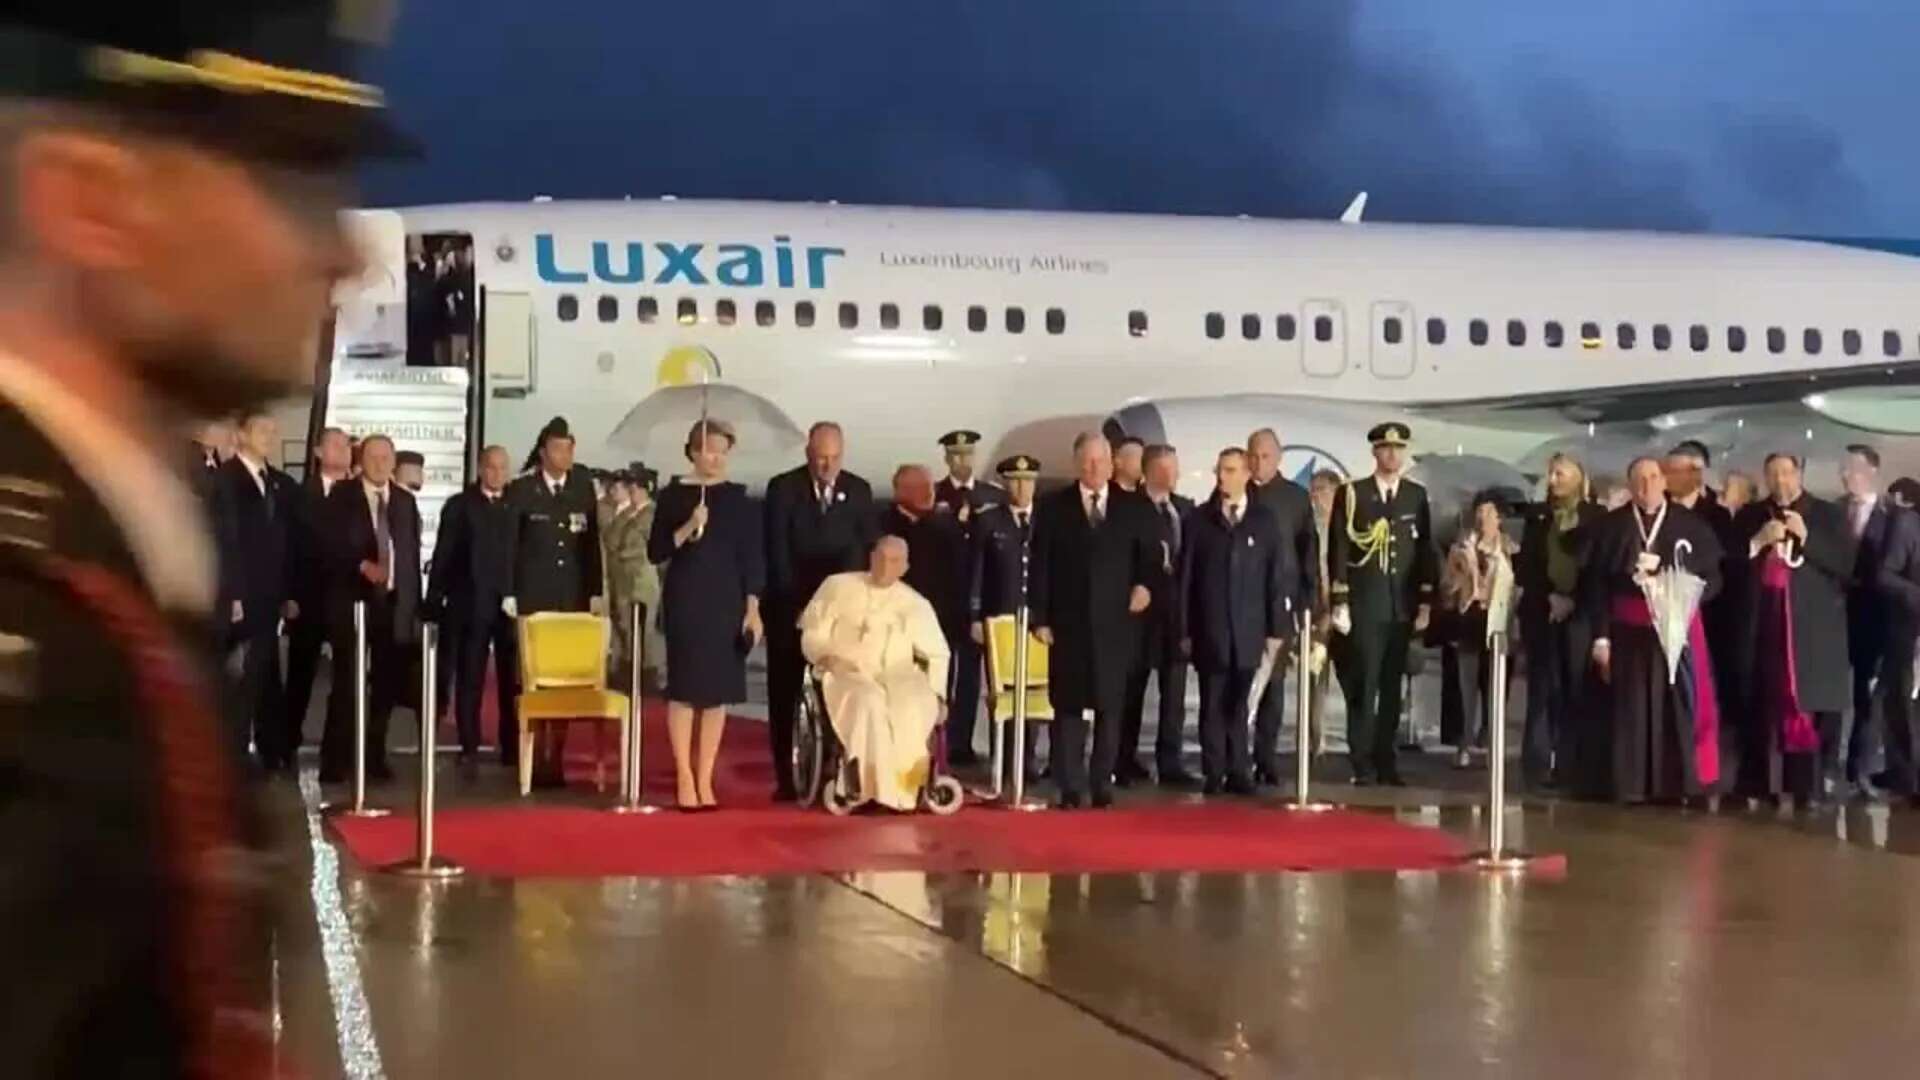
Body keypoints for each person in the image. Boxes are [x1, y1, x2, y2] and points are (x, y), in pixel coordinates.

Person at [0, 7, 404, 1070]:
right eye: (290, 176)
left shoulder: (112, 566)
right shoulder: (38, 629)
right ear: (87, 202)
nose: (345, 250)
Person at [1583, 457, 1725, 803]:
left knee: (1674, 709)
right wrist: (1601, 639)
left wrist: (1682, 596)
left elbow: (1714, 578)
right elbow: (1597, 586)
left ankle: (1677, 786)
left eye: (1652, 477)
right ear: (1631, 486)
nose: (1646, 485)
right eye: (1639, 479)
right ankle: (1630, 785)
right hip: (1627, 631)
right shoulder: (1612, 526)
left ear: (1664, 482)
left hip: (1675, 631)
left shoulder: (1691, 525)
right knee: (1629, 711)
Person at [1032, 432, 1156, 808]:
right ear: (1076, 464)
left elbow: (1151, 557)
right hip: (1068, 623)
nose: (1094, 468)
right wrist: (1041, 617)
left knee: (1110, 707)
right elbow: (1040, 565)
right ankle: (1069, 785)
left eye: (1101, 461)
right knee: (1068, 708)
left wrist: (1145, 586)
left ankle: (1102, 783)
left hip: (1116, 624)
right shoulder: (1055, 507)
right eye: (1087, 462)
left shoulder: (1133, 506)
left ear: (1112, 462)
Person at [649, 420, 765, 810]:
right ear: (693, 452)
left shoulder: (738, 499)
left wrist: (752, 607)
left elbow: (751, 557)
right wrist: (689, 527)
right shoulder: (673, 496)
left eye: (721, 450)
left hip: (727, 601)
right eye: (708, 450)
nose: (715, 457)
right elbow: (657, 552)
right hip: (686, 599)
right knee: (685, 691)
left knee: (717, 695)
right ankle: (683, 774)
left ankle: (705, 776)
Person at [1733, 453, 1854, 808]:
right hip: (1765, 624)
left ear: (1799, 474)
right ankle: (1765, 786)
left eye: (1787, 473)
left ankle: (1808, 789)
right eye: (1773, 475)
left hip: (1812, 630)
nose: (1781, 481)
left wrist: (1807, 538)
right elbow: (1730, 564)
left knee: (1808, 707)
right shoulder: (1751, 515)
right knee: (1766, 707)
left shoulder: (1828, 514)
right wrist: (1756, 542)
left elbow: (1847, 565)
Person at [763, 421, 876, 798]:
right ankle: (786, 778)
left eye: (834, 458)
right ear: (808, 455)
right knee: (785, 692)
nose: (827, 466)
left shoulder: (858, 492)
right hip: (792, 609)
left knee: (840, 693)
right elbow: (777, 553)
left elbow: (864, 553)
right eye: (820, 458)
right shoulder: (783, 489)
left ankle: (834, 772)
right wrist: (799, 608)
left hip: (841, 615)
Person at [800, 536, 952, 811]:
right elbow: (812, 634)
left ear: (905, 567)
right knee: (868, 702)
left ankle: (906, 790)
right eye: (880, 558)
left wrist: (938, 694)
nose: (884, 566)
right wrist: (826, 657)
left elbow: (938, 654)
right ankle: (865, 787)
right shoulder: (837, 586)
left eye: (893, 561)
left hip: (898, 672)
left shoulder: (916, 603)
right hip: (847, 670)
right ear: (870, 559)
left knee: (912, 705)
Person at [1327, 422, 1436, 786]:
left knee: (1391, 687)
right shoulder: (1353, 494)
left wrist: (1425, 600)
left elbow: (1424, 551)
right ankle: (1361, 759)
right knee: (1364, 683)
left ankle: (1386, 759)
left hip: (1399, 605)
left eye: (1398, 449)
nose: (1392, 455)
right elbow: (1340, 547)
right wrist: (1340, 599)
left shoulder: (1414, 496)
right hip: (1366, 602)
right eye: (1386, 449)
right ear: (1375, 452)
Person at [1178, 448, 1288, 794]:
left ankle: (1239, 769)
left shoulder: (1264, 520)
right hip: (1211, 629)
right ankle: (1214, 771)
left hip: (1249, 630)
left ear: (1244, 474)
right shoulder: (1199, 521)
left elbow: (1275, 576)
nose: (1222, 477)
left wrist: (1276, 627)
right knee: (1212, 703)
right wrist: (1184, 629)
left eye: (1230, 470)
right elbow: (1185, 580)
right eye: (1220, 470)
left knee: (1240, 705)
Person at [506, 416, 604, 783]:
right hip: (534, 595)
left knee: (566, 676)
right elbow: (510, 546)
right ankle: (531, 749)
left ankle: (556, 756)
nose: (564, 455)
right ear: (544, 452)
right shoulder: (523, 490)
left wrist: (595, 590)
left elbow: (591, 544)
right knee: (534, 678)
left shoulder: (581, 486)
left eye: (569, 448)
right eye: (558, 449)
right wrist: (509, 591)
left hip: (571, 595)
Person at [321, 435, 421, 784]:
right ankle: (335, 760)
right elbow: (329, 545)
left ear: (394, 462)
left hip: (393, 607)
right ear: (362, 461)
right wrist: (360, 564)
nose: (380, 463)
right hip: (354, 602)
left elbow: (409, 556)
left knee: (386, 687)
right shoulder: (342, 496)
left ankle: (374, 757)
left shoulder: (405, 502)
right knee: (348, 682)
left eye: (386, 457)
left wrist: (412, 607)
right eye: (373, 457)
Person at [214, 409, 298, 769]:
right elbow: (226, 540)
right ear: (242, 435)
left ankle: (267, 747)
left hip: (269, 595)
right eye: (262, 429)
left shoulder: (275, 482)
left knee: (263, 676)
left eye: (273, 429)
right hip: (241, 595)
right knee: (238, 679)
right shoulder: (226, 479)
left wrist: (287, 593)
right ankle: (231, 754)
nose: (270, 436)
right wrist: (232, 593)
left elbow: (284, 541)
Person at [426, 445, 519, 769]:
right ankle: (469, 744)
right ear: (480, 469)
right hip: (469, 605)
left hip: (509, 607)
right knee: (470, 677)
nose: (497, 474)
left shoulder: (515, 505)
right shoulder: (460, 506)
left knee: (513, 679)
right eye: (491, 467)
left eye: (502, 468)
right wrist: (435, 597)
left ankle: (512, 746)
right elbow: (445, 553)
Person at [1515, 452, 1601, 789]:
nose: (1553, 480)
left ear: (1578, 477)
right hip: (1543, 611)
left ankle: (1571, 765)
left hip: (1579, 615)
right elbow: (1527, 566)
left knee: (1575, 690)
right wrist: (1549, 595)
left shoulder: (1595, 516)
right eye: (1550, 474)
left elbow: (1596, 566)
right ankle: (1536, 765)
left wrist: (1572, 599)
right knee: (1542, 691)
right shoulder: (1538, 517)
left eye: (1560, 473)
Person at [880, 464, 973, 760]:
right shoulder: (882, 527)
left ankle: (935, 758)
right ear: (902, 493)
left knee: (936, 696)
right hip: (893, 630)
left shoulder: (946, 529)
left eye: (930, 488)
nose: (930, 495)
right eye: (921, 489)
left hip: (939, 629)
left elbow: (960, 579)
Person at [1665, 442, 1743, 785]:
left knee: (1710, 695)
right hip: (1666, 618)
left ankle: (1712, 772)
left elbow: (1727, 567)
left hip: (1710, 618)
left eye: (1682, 470)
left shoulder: (1717, 514)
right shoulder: (1658, 509)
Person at [1122, 443, 1198, 785]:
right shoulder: (1130, 510)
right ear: (1149, 471)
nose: (1172, 475)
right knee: (1132, 691)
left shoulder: (1186, 510)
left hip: (1177, 618)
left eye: (1175, 468)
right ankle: (1123, 758)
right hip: (1139, 619)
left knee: (1175, 694)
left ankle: (1170, 762)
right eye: (1165, 469)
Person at [1246, 427, 1317, 785]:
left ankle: (1266, 757)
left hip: (1280, 605)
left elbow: (1308, 554)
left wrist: (1309, 603)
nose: (1259, 463)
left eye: (1266, 457)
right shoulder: (1236, 493)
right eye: (1254, 456)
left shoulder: (1295, 498)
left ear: (1278, 458)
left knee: (1273, 686)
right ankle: (1232, 756)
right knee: (1238, 683)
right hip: (1241, 605)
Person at [970, 453, 1047, 782]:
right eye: (1015, 480)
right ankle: (1004, 756)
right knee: (1003, 691)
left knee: (1035, 691)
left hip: (1037, 622)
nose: (1021, 487)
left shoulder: (1047, 521)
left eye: (1027, 480)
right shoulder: (989, 521)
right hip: (1000, 621)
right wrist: (975, 615)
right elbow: (976, 571)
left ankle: (1027, 758)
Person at [286, 426, 353, 753]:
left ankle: (338, 749)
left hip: (348, 600)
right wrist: (290, 594)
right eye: (336, 445)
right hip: (308, 598)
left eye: (347, 446)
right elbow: (289, 547)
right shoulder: (299, 495)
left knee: (346, 680)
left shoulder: (359, 494)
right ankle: (286, 741)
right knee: (300, 675)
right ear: (317, 452)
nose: (343, 451)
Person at [1437, 492, 1515, 769]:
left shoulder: (1509, 548)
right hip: (1469, 621)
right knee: (1466, 686)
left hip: (1499, 622)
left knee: (1495, 687)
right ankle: (1464, 743)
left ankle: (1493, 741)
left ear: (1500, 518)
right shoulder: (1462, 547)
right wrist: (1458, 575)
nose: (1484, 519)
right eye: (1480, 514)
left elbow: (1516, 585)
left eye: (1489, 514)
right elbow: (1446, 588)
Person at [1838, 445, 1895, 800]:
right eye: (1844, 468)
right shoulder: (1832, 512)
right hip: (1833, 617)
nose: (1847, 474)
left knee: (1866, 696)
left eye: (1854, 468)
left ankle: (1859, 770)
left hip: (1874, 619)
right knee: (1832, 694)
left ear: (1872, 470)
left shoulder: (1891, 517)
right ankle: (1827, 768)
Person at [1873, 492, 1920, 806]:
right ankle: (1909, 782)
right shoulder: (1909, 523)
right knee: (1906, 709)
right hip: (1912, 633)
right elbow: (1885, 574)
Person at [604, 463, 665, 693]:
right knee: (624, 627)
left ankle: (646, 675)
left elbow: (649, 548)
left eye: (635, 486)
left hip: (641, 578)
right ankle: (628, 671)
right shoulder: (630, 513)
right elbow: (610, 537)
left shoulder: (652, 514)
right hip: (623, 579)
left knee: (642, 629)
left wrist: (622, 552)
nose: (631, 490)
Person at [934, 428, 1000, 528]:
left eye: (968, 453)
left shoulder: (993, 495)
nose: (963, 458)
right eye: (956, 454)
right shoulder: (934, 494)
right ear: (947, 459)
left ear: (974, 457)